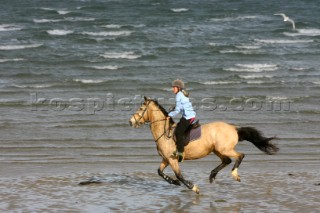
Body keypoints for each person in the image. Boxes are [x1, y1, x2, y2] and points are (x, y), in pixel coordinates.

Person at [167, 79, 196, 162]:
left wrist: (169, 115)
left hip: (188, 117)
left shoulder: (179, 95)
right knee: (178, 127)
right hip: (189, 115)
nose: (173, 89)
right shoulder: (182, 94)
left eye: (174, 87)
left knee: (178, 132)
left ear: (178, 88)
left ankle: (180, 153)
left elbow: (177, 110)